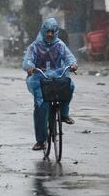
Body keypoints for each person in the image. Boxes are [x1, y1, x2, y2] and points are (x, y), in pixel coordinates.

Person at [22, 18, 78, 151]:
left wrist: (73, 64)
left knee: (69, 86)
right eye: (47, 31)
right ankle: (40, 141)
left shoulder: (60, 45)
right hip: (39, 79)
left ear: (56, 32)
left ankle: (64, 114)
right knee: (41, 105)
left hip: (57, 76)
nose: (50, 34)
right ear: (43, 31)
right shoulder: (35, 46)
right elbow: (28, 60)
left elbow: (69, 57)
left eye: (53, 31)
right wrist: (30, 67)